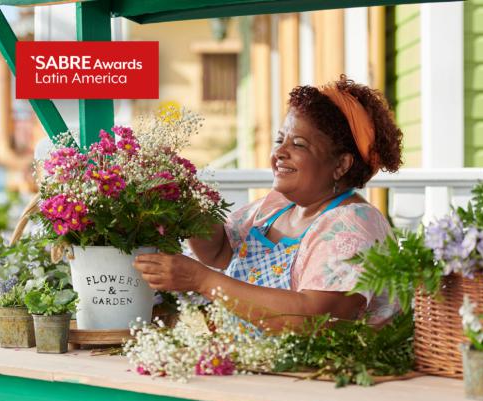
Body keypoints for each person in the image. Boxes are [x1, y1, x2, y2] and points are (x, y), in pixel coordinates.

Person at [134, 76, 403, 332]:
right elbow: (219, 250)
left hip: (325, 378)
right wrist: (180, 190)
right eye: (279, 140)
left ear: (341, 165)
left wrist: (202, 280)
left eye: (298, 144)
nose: (279, 153)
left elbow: (317, 319)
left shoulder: (353, 225)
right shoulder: (278, 207)